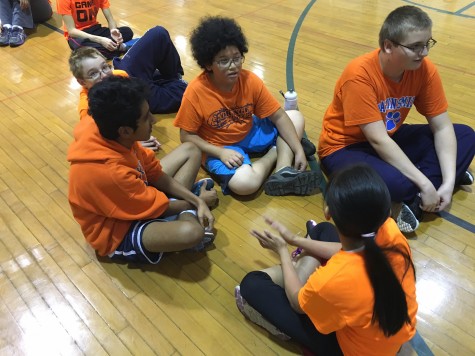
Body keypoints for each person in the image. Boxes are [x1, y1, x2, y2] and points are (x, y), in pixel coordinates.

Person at [317, 5, 475, 233]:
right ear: (388, 46)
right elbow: (377, 140)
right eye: (415, 47)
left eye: (427, 43)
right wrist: (425, 182)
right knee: (398, 184)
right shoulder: (359, 75)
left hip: (390, 136)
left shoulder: (424, 69)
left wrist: (449, 183)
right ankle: (419, 187)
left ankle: (420, 194)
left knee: (466, 135)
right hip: (344, 148)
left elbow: (442, 127)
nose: (425, 52)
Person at [235, 164, 417, 355]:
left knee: (252, 284)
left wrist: (281, 250)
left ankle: (297, 272)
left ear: (328, 211)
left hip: (353, 350)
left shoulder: (335, 278)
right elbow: (349, 250)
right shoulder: (391, 230)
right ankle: (300, 268)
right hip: (391, 334)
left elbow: (297, 304)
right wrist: (296, 240)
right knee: (322, 230)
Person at [67, 76, 218, 263]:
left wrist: (195, 200)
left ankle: (184, 206)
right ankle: (186, 213)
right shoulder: (109, 172)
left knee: (191, 150)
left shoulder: (110, 129)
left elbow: (153, 172)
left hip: (135, 196)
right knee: (192, 233)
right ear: (125, 131)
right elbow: (156, 209)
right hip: (118, 230)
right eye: (146, 117)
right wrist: (197, 203)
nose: (154, 120)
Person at [173, 16, 321, 196]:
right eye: (223, 60)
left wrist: (298, 150)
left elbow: (279, 116)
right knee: (245, 184)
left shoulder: (249, 79)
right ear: (208, 64)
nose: (233, 66)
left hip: (250, 133)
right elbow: (186, 136)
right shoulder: (195, 92)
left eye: (237, 58)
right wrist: (219, 153)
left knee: (295, 116)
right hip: (220, 146)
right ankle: (276, 152)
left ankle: (282, 170)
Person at [69, 42, 185, 151]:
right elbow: (100, 140)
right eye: (93, 74)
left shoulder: (120, 75)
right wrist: (134, 143)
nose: (104, 76)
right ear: (82, 82)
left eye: (105, 67)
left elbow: (138, 100)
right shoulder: (87, 109)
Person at [56, 0, 133, 59]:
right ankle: (119, 47)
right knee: (82, 47)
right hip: (78, 35)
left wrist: (113, 30)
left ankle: (111, 48)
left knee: (127, 31)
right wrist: (100, 40)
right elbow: (72, 31)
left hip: (95, 29)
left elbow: (110, 20)